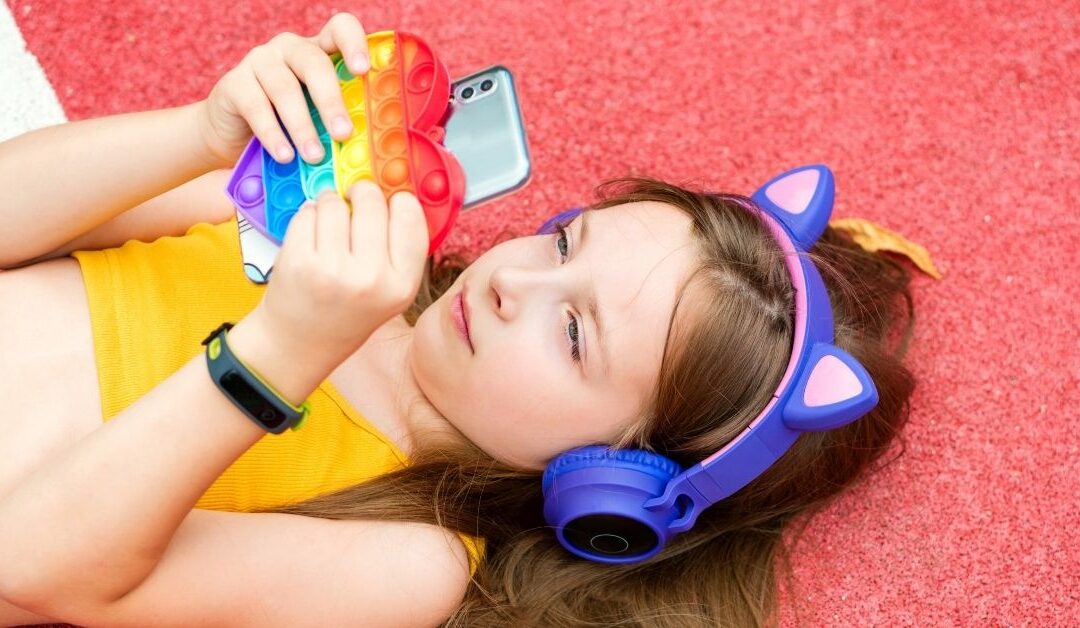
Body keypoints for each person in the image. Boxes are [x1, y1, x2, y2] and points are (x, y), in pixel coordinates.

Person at [0, 12, 916, 628]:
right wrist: (199, 137)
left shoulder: (410, 562)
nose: (517, 278)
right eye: (563, 243)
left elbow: (27, 566)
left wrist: (277, 356)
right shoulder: (326, 225)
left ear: (610, 478)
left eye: (574, 336)